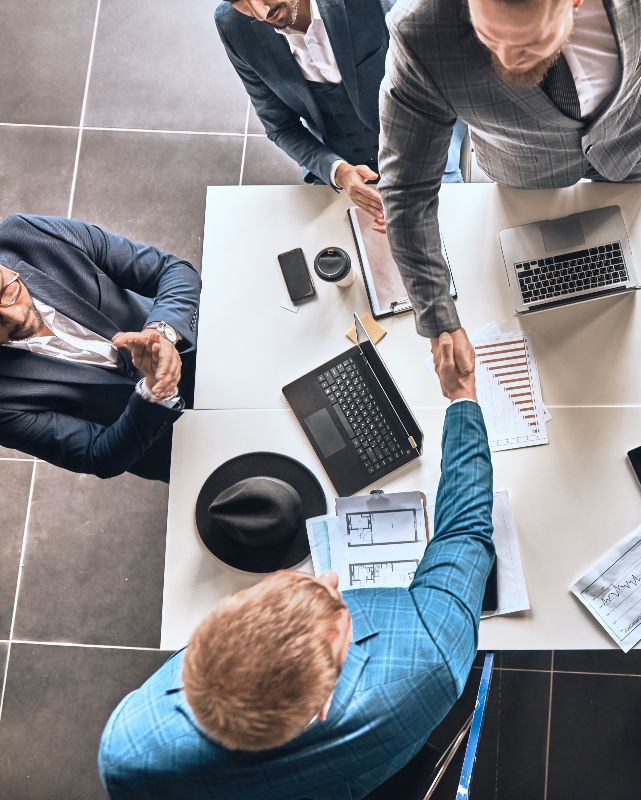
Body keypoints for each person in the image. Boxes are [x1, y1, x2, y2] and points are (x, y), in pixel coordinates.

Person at [97, 331, 495, 798]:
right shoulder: (432, 655)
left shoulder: (127, 749)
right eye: (338, 610)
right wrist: (462, 395)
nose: (328, 578)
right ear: (325, 703)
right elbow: (464, 532)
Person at [377, 0, 641, 363]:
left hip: (626, 144)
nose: (506, 60)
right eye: (489, 37)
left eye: (528, 43)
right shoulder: (419, 30)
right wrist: (439, 322)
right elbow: (406, 190)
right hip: (524, 169)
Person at [215, 0, 468, 231]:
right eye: (239, 1)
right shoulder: (232, 25)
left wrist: (418, 179)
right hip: (340, 163)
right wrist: (338, 171)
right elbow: (280, 126)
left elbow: (441, 75)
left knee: (450, 239)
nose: (261, 13)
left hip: (424, 144)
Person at [0, 214, 200, 482]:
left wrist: (162, 332)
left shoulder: (28, 235)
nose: (14, 316)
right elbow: (97, 455)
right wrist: (153, 393)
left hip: (207, 352)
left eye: (3, 290)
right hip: (170, 442)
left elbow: (172, 271)